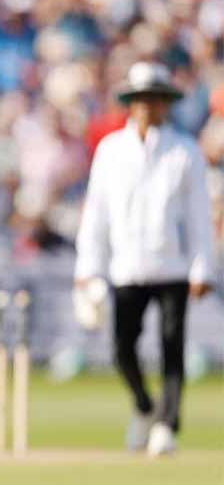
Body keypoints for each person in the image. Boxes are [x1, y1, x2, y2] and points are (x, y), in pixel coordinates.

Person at [74, 61, 215, 457]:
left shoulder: (184, 150)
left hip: (172, 266)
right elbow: (96, 212)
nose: (148, 107)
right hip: (127, 267)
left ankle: (167, 424)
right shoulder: (111, 150)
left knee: (172, 346)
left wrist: (202, 267)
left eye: (155, 99)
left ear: (166, 103)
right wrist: (88, 267)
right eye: (141, 99)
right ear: (131, 104)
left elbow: (199, 216)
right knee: (122, 350)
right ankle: (144, 406)